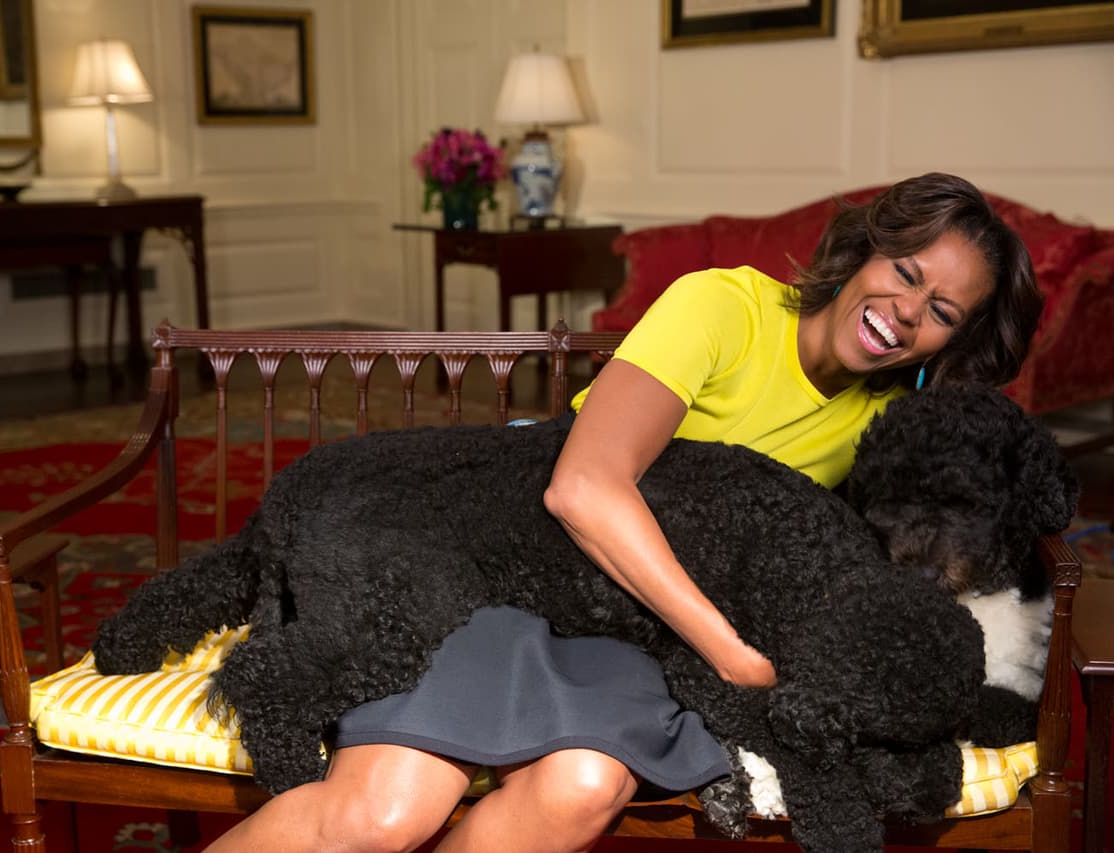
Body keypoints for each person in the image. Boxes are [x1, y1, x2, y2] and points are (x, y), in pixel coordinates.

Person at [205, 172, 1042, 853]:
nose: (907, 311)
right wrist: (729, 650)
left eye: (941, 312)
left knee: (583, 787)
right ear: (867, 250)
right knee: (381, 816)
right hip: (521, 565)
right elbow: (582, 488)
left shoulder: (887, 426)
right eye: (907, 274)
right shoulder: (723, 308)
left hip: (646, 638)